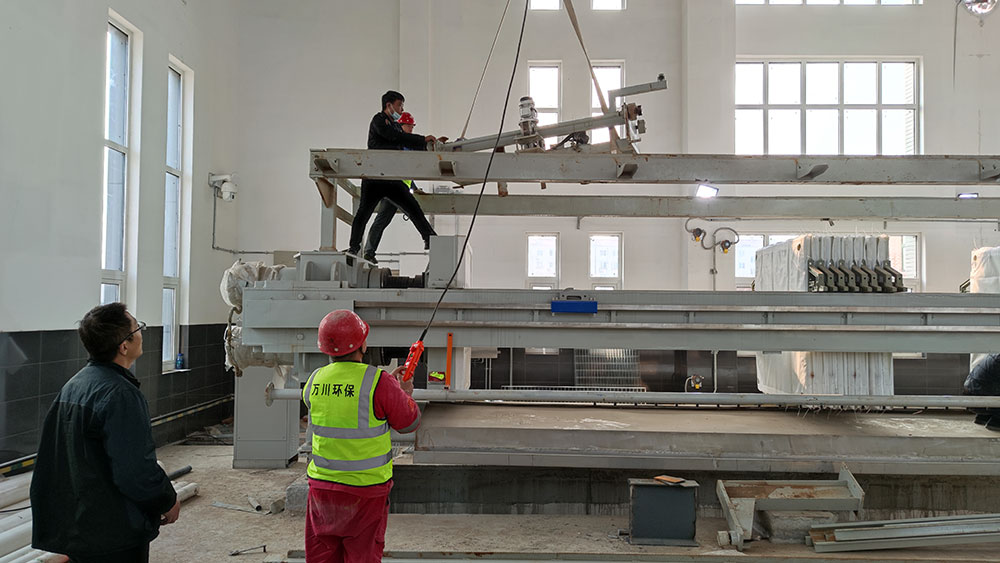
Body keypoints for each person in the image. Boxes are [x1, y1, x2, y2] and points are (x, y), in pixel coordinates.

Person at [31, 303, 179, 563]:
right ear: (124, 346)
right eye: (138, 328)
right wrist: (167, 500)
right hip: (112, 531)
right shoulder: (120, 394)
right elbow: (134, 470)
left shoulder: (75, 385)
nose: (142, 333)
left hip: (79, 525)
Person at [303, 309, 421, 561]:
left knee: (322, 557)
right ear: (363, 345)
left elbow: (341, 406)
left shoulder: (314, 380)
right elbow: (409, 423)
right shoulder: (378, 382)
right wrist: (402, 392)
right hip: (365, 492)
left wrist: (389, 388)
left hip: (322, 490)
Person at [348, 90, 446, 258]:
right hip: (374, 178)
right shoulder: (379, 121)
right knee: (363, 213)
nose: (401, 109)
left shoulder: (394, 126)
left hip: (391, 178)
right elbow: (395, 137)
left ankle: (430, 238)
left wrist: (431, 145)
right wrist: (422, 140)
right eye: (400, 105)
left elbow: (403, 143)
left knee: (413, 208)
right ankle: (354, 247)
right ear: (389, 105)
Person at [362, 111, 425, 264]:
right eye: (409, 126)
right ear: (400, 126)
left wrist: (414, 187)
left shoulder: (406, 144)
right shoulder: (396, 144)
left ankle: (369, 251)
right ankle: (369, 251)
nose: (411, 129)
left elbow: (406, 172)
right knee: (386, 219)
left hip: (400, 188)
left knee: (383, 220)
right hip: (392, 188)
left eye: (412, 126)